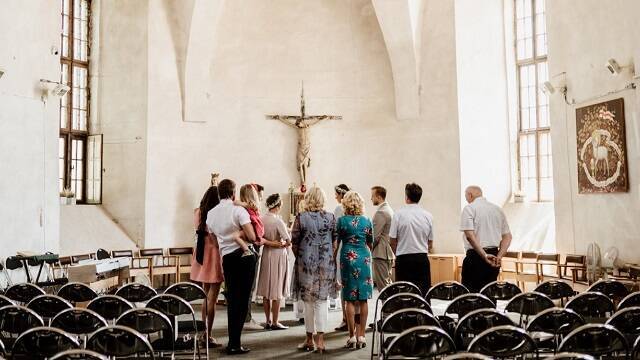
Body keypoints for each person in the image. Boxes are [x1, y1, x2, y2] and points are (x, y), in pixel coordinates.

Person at [206, 179, 260, 355]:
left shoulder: (211, 214)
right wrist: (240, 235)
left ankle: (233, 342)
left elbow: (213, 241)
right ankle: (234, 343)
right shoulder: (238, 210)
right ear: (233, 193)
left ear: (220, 193)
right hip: (244, 257)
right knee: (243, 300)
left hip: (227, 258)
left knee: (232, 300)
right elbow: (252, 237)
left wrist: (226, 241)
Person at [291, 186, 337, 354]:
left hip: (306, 264)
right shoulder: (331, 218)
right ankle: (321, 341)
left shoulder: (301, 217)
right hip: (325, 263)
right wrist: (328, 257)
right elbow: (334, 243)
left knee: (309, 302)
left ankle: (309, 339)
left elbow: (294, 241)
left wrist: (302, 257)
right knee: (322, 302)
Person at [336, 191, 373, 350]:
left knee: (349, 298)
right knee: (363, 298)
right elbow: (370, 243)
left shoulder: (342, 221)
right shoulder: (367, 221)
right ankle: (362, 335)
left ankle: (351, 336)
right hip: (364, 258)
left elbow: (335, 245)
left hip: (347, 258)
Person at [460, 185, 512, 292]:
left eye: (466, 196)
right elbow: (508, 236)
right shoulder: (497, 209)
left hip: (475, 256)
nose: (466, 199)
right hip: (494, 257)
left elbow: (469, 235)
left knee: (472, 296)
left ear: (470, 195)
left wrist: (484, 255)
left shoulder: (469, 208)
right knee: (490, 294)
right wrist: (499, 256)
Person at [190, 186, 224, 347]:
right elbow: (217, 240)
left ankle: (204, 333)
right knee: (213, 298)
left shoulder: (198, 212)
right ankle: (208, 335)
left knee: (205, 296)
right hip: (213, 254)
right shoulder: (215, 215)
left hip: (201, 253)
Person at [389, 183, 434, 295]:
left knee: (404, 294)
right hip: (421, 259)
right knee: (423, 294)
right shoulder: (428, 216)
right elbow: (430, 243)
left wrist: (398, 253)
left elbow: (392, 241)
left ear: (406, 197)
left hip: (403, 259)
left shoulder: (398, 215)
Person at [256, 193, 291, 330]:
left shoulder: (262, 219)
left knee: (266, 289)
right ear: (278, 205)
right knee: (276, 291)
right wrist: (279, 243)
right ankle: (276, 322)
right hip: (277, 256)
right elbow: (288, 241)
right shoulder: (278, 221)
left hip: (266, 255)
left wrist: (269, 242)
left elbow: (260, 240)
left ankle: (268, 321)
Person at [333, 183, 351, 331]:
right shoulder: (358, 212)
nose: (335, 197)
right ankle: (354, 321)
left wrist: (333, 254)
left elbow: (335, 233)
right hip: (356, 252)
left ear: (341, 195)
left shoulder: (339, 209)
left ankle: (345, 319)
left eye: (336, 194)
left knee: (343, 286)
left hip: (342, 251)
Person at [370, 186, 395, 289]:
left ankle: (388, 305)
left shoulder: (381, 212)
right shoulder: (388, 209)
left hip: (381, 253)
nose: (371, 198)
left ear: (379, 197)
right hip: (387, 252)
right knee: (387, 283)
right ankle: (390, 305)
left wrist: (368, 249)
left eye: (372, 196)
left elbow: (375, 237)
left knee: (383, 286)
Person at [234, 185, 265, 257]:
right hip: (256, 228)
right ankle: (252, 251)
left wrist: (241, 203)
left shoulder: (246, 205)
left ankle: (247, 250)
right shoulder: (254, 205)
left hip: (253, 228)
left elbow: (235, 202)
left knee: (235, 236)